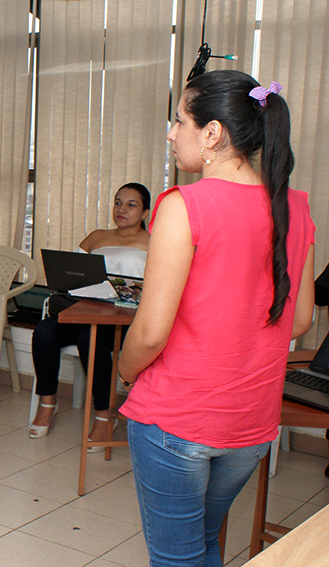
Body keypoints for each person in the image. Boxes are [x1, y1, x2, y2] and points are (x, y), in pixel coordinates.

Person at [117, 71, 316, 566]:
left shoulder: (186, 206)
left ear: (211, 133)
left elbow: (150, 331)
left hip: (178, 418)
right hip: (251, 424)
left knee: (177, 557)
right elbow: (300, 320)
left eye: (179, 120)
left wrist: (124, 372)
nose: (170, 133)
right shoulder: (294, 206)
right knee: (205, 542)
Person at [27, 183, 151, 443]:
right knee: (44, 332)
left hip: (124, 318)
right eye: (118, 202)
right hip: (85, 309)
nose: (122, 209)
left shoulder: (153, 242)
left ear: (145, 213)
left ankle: (104, 416)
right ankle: (47, 403)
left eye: (131, 205)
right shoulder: (97, 236)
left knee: (89, 339)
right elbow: (71, 272)